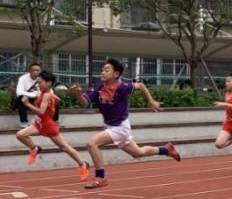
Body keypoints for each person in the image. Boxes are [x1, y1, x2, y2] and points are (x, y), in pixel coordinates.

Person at [69, 58, 180, 189]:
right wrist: (78, 94)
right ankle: (166, 149)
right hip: (112, 127)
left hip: (120, 127)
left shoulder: (121, 87)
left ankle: (101, 177)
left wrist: (151, 101)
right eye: (102, 70)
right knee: (138, 153)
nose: (102, 72)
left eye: (106, 70)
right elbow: (84, 103)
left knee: (92, 144)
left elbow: (141, 85)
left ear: (116, 74)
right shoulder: (98, 88)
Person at [16, 70, 89, 182]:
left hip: (48, 126)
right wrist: (52, 103)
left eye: (40, 82)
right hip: (39, 124)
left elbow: (41, 112)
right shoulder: (44, 93)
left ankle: (83, 164)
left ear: (49, 83)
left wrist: (27, 104)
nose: (38, 85)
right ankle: (35, 148)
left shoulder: (46, 95)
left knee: (64, 147)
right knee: (20, 135)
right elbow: (58, 99)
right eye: (37, 82)